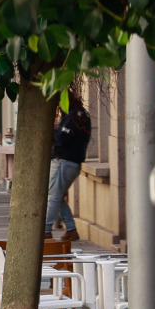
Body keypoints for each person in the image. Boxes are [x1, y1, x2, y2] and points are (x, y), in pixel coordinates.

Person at [45, 93, 91, 242]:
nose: (58, 107)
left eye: (59, 103)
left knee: (53, 196)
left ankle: (45, 230)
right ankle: (71, 229)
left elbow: (61, 138)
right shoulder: (80, 115)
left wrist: (50, 132)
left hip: (64, 161)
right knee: (58, 197)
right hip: (72, 162)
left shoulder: (73, 117)